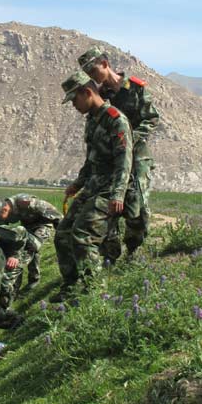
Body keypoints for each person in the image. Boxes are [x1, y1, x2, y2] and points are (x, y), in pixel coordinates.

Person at [52, 71, 133, 301]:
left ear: (87, 92)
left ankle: (94, 291)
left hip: (110, 188)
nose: (74, 106)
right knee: (63, 234)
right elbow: (91, 160)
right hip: (93, 185)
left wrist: (118, 194)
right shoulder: (92, 120)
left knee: (83, 234)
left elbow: (124, 161)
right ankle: (71, 285)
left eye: (74, 100)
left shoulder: (115, 119)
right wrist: (77, 184)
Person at [78, 45, 160, 258]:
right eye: (89, 75)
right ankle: (110, 253)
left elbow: (151, 118)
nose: (93, 78)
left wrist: (131, 138)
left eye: (94, 71)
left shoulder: (135, 88)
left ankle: (134, 249)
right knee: (108, 204)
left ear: (105, 64)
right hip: (112, 159)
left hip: (137, 156)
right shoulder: (100, 95)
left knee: (137, 207)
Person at [0, 194, 62, 289]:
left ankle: (26, 281)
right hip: (27, 227)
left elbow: (55, 213)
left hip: (43, 224)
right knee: (22, 246)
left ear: (4, 209)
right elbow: (1, 230)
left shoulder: (24, 202)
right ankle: (32, 279)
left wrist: (63, 232)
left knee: (32, 246)